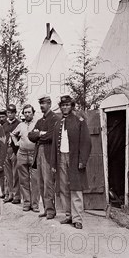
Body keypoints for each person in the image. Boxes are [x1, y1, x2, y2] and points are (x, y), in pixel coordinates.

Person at [51, 95, 91, 229]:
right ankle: (68, 215)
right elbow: (53, 146)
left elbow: (86, 142)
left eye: (67, 105)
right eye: (63, 105)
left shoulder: (79, 121)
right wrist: (53, 163)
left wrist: (82, 161)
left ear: (72, 106)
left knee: (76, 188)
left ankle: (77, 219)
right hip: (61, 158)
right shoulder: (58, 123)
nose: (65, 107)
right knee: (63, 188)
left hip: (74, 159)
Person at [28, 95, 61, 219]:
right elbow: (31, 136)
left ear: (50, 103)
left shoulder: (55, 118)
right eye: (40, 103)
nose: (42, 106)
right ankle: (46, 209)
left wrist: (39, 135)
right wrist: (39, 134)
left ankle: (51, 211)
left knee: (48, 183)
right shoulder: (40, 121)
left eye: (44, 103)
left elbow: (52, 136)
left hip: (48, 152)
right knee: (40, 182)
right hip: (39, 152)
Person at [11, 104, 40, 212]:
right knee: (23, 180)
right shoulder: (21, 125)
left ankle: (35, 204)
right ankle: (26, 203)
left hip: (34, 154)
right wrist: (17, 143)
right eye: (25, 112)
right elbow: (13, 134)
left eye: (29, 112)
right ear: (23, 114)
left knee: (35, 181)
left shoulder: (38, 123)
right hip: (22, 154)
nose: (27, 114)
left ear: (33, 113)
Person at [2, 104, 21, 204]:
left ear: (15, 113)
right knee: (8, 175)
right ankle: (9, 194)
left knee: (15, 174)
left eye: (12, 113)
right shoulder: (4, 125)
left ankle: (16, 195)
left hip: (15, 150)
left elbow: (20, 139)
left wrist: (16, 151)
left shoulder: (19, 124)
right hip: (6, 150)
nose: (10, 115)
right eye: (8, 113)